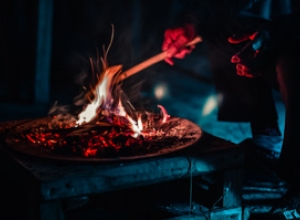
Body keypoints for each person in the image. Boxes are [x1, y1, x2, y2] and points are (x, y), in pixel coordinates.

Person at [161, 0, 300, 216]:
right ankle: (266, 141)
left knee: (292, 59)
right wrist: (190, 25)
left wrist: (280, 34)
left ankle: (292, 174)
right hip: (278, 34)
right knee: (226, 28)